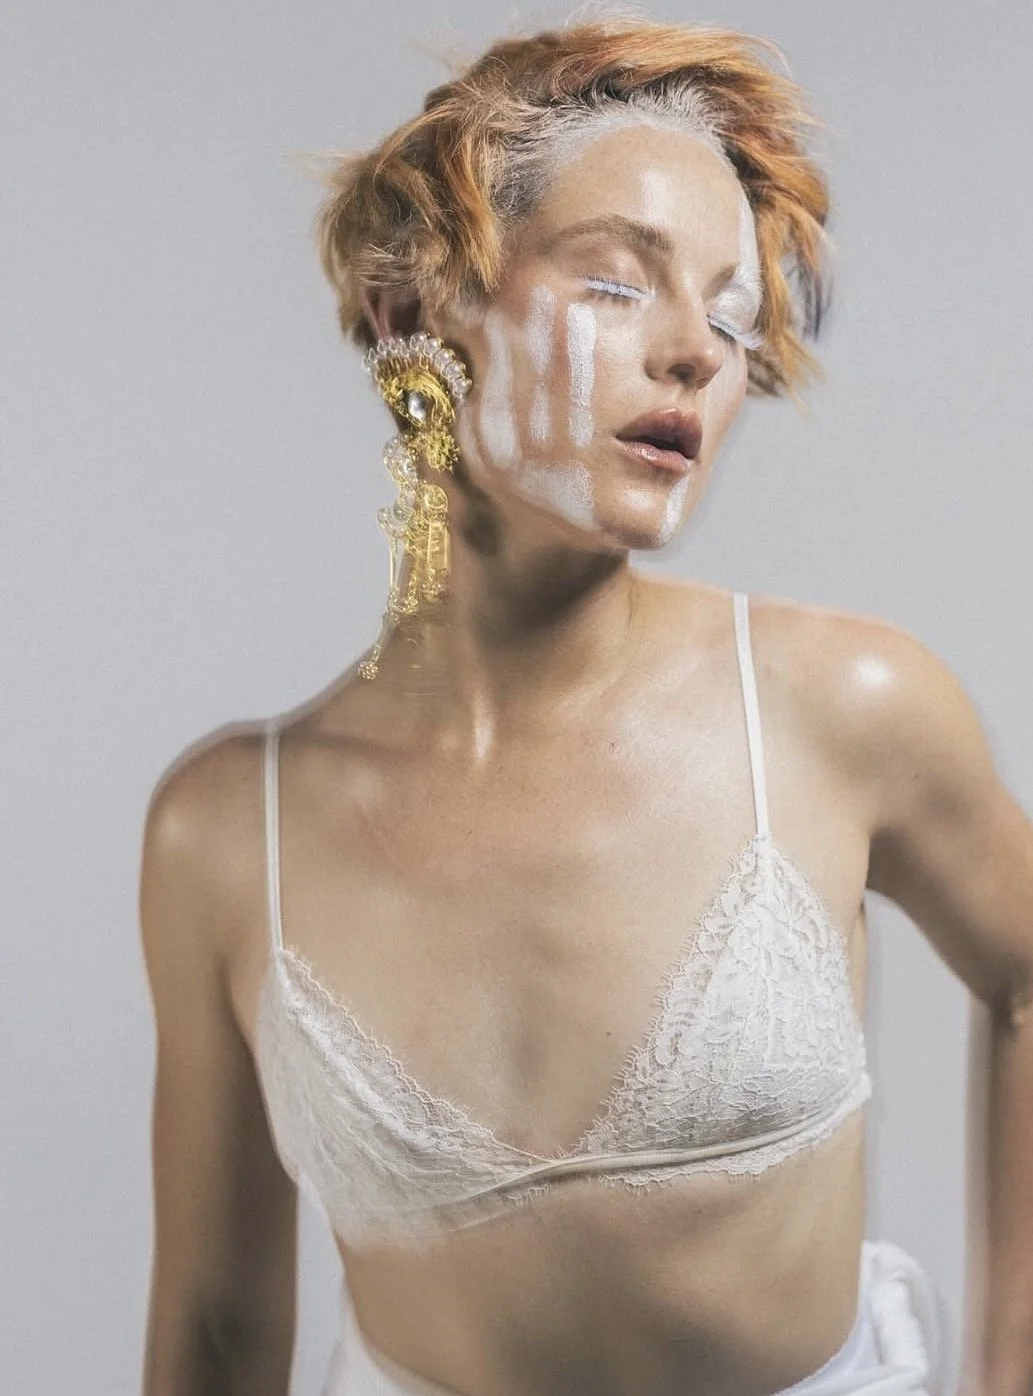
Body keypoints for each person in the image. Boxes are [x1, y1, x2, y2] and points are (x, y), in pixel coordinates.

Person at [142, 10, 1031, 1394]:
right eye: (618, 284)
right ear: (412, 316)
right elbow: (213, 1325)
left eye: (730, 316)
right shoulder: (223, 832)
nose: (697, 353)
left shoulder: (844, 709)